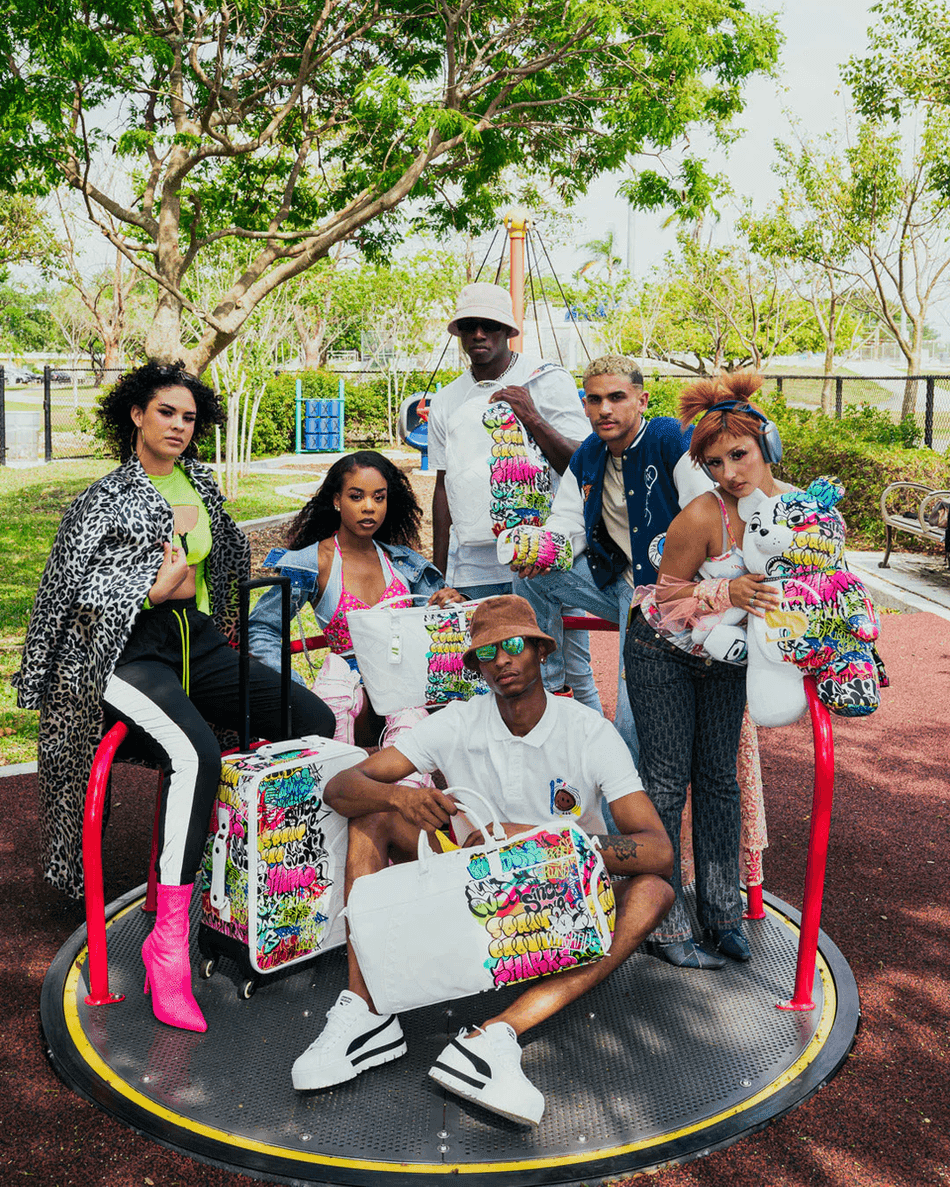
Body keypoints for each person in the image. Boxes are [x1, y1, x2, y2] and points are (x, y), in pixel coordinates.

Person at [13, 362, 335, 1032]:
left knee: (312, 719)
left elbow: (216, 571)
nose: (179, 426)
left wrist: (192, 597)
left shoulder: (201, 485)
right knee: (196, 754)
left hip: (197, 642)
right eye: (166, 412)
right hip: (124, 650)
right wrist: (150, 591)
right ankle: (168, 942)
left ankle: (268, 882)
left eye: (189, 417)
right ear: (136, 415)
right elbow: (72, 587)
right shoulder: (104, 498)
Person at [290, 595, 675, 1126]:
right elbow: (340, 787)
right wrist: (401, 797)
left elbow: (659, 850)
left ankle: (496, 1034)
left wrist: (537, 838)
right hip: (468, 889)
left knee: (655, 891)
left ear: (541, 651)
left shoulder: (588, 731)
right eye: (488, 652)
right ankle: (366, 1010)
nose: (503, 659)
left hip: (559, 899)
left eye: (514, 645)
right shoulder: (457, 722)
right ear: (476, 667)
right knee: (372, 814)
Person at [623, 372, 793, 969]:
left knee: (720, 780)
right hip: (662, 651)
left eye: (739, 455)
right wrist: (728, 591)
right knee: (667, 782)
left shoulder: (795, 509)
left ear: (766, 445)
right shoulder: (701, 515)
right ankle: (662, 920)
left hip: (727, 658)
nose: (730, 473)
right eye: (714, 463)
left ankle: (722, 915)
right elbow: (666, 597)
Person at [513, 354, 711, 765]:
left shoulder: (668, 437)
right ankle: (547, 687)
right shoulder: (589, 453)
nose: (604, 409)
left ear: (642, 400)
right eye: (594, 399)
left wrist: (692, 594)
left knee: (629, 716)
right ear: (584, 405)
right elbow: (566, 522)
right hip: (615, 582)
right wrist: (541, 547)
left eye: (616, 397)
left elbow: (705, 510)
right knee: (530, 574)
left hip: (665, 595)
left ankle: (622, 802)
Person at [428, 282, 600, 708]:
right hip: (475, 565)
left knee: (566, 669)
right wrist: (440, 570)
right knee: (489, 678)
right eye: (469, 326)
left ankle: (587, 747)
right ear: (459, 332)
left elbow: (584, 465)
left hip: (541, 559)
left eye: (489, 326)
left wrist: (530, 415)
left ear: (508, 331)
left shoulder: (545, 379)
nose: (479, 334)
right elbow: (443, 484)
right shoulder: (447, 400)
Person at [248, 450, 462, 759]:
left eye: (379, 497)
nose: (369, 507)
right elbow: (262, 627)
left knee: (412, 746)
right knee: (337, 742)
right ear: (337, 500)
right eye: (356, 496)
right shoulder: (316, 562)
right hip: (345, 695)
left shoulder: (403, 563)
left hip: (406, 691)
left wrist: (452, 604)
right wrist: (297, 691)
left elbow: (444, 626)